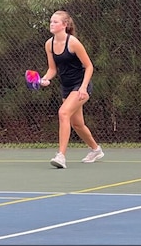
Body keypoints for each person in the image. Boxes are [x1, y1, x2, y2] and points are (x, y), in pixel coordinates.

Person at [39, 10, 104, 169]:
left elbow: (89, 66)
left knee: (63, 112)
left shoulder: (73, 43)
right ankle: (96, 150)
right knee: (77, 124)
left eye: (55, 22)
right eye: (51, 21)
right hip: (67, 87)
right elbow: (52, 69)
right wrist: (45, 78)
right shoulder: (49, 44)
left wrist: (83, 88)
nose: (51, 24)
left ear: (65, 25)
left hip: (81, 85)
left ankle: (61, 156)